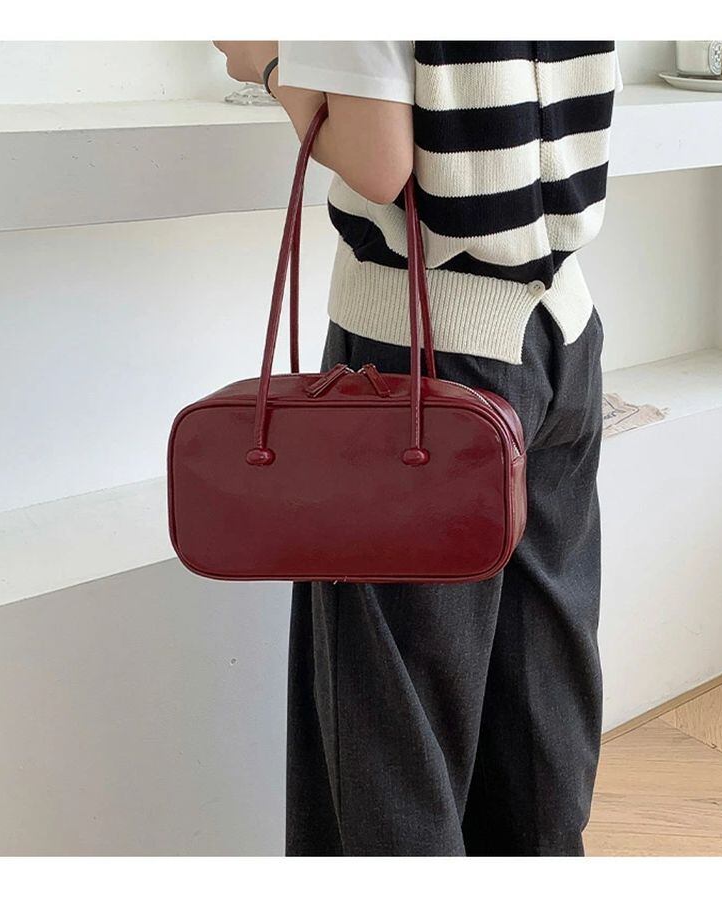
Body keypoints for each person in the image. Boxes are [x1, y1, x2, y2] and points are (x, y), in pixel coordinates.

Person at [213, 40, 621, 856]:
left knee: (391, 733)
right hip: (560, 338)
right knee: (538, 701)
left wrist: (268, 64)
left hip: (419, 359)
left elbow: (378, 161)